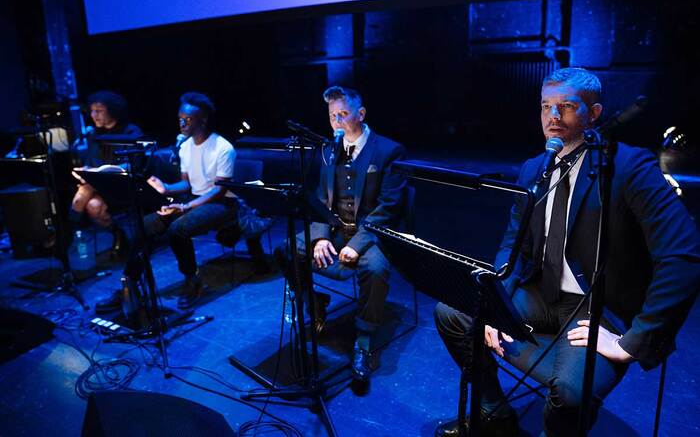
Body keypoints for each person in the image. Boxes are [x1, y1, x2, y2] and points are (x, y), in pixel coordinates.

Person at [433, 68, 700, 436]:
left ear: (594, 113)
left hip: (598, 308)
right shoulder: (533, 168)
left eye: (566, 106)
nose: (553, 117)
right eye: (546, 107)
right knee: (453, 313)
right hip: (541, 293)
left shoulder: (628, 166)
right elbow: (513, 244)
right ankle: (493, 410)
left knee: (570, 396)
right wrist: (495, 302)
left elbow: (683, 256)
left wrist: (633, 341)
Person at [276, 86, 407, 383]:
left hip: (372, 232)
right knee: (287, 248)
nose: (336, 121)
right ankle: (314, 303)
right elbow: (322, 198)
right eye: (332, 116)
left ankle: (363, 339)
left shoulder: (389, 151)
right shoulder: (328, 152)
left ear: (361, 114)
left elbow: (389, 207)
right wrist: (320, 236)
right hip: (335, 230)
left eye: (343, 114)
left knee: (374, 267)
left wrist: (358, 244)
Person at [95, 92, 255, 313]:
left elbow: (220, 190)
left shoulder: (223, 147)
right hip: (195, 199)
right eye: (180, 117)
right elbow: (186, 184)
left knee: (178, 229)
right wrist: (166, 188)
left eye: (187, 119)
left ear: (203, 119)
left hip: (223, 204)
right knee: (147, 224)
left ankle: (192, 279)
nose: (182, 122)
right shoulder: (186, 146)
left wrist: (185, 207)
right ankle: (129, 284)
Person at [70, 90, 143, 258]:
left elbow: (136, 162)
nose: (94, 115)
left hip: (123, 185)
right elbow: (91, 163)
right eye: (92, 111)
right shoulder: (94, 135)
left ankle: (68, 232)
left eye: (99, 111)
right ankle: (118, 234)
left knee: (84, 191)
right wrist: (84, 173)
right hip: (100, 187)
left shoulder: (130, 131)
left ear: (112, 110)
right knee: (93, 206)